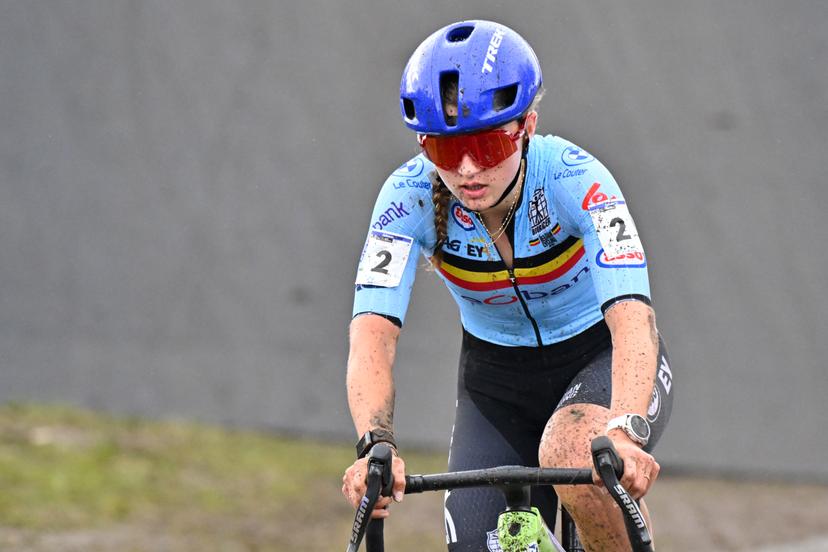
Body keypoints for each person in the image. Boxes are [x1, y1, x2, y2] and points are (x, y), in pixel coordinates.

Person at [341, 19, 674, 552]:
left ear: (526, 127)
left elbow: (633, 318)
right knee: (478, 544)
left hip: (598, 359)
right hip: (496, 381)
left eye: (489, 144)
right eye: (446, 152)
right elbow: (372, 334)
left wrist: (624, 429)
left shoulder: (576, 179)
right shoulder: (407, 197)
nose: (469, 170)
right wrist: (374, 444)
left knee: (574, 453)